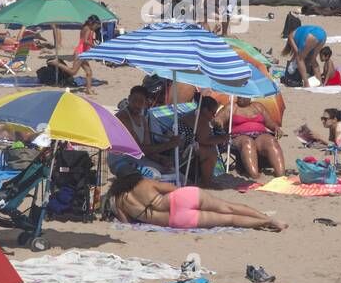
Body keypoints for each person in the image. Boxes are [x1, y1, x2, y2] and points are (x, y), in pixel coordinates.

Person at [107, 172, 286, 231]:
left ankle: (265, 223)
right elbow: (172, 189)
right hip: (179, 199)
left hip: (176, 219)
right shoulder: (144, 183)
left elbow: (126, 222)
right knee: (228, 207)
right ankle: (267, 218)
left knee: (230, 220)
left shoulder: (118, 201)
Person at [115, 85, 178, 174]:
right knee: (157, 176)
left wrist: (162, 160)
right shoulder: (123, 117)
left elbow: (148, 150)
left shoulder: (142, 119)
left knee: (172, 173)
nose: (137, 104)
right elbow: (138, 149)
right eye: (134, 100)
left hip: (136, 159)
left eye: (140, 102)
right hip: (121, 160)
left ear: (145, 103)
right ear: (129, 99)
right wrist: (169, 144)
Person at [218, 96, 285, 180]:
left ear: (249, 96)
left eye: (244, 96)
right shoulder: (231, 107)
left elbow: (270, 123)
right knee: (248, 142)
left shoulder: (258, 106)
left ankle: (281, 176)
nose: (241, 98)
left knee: (271, 140)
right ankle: (254, 176)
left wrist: (276, 128)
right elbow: (218, 120)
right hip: (237, 136)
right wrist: (218, 123)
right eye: (239, 96)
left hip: (260, 135)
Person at [47, 15, 100, 95]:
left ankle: (88, 90)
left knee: (89, 72)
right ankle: (56, 63)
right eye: (96, 25)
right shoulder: (88, 29)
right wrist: (94, 45)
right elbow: (85, 41)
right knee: (73, 72)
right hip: (80, 53)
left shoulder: (86, 28)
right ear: (92, 23)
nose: (96, 27)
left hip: (83, 53)